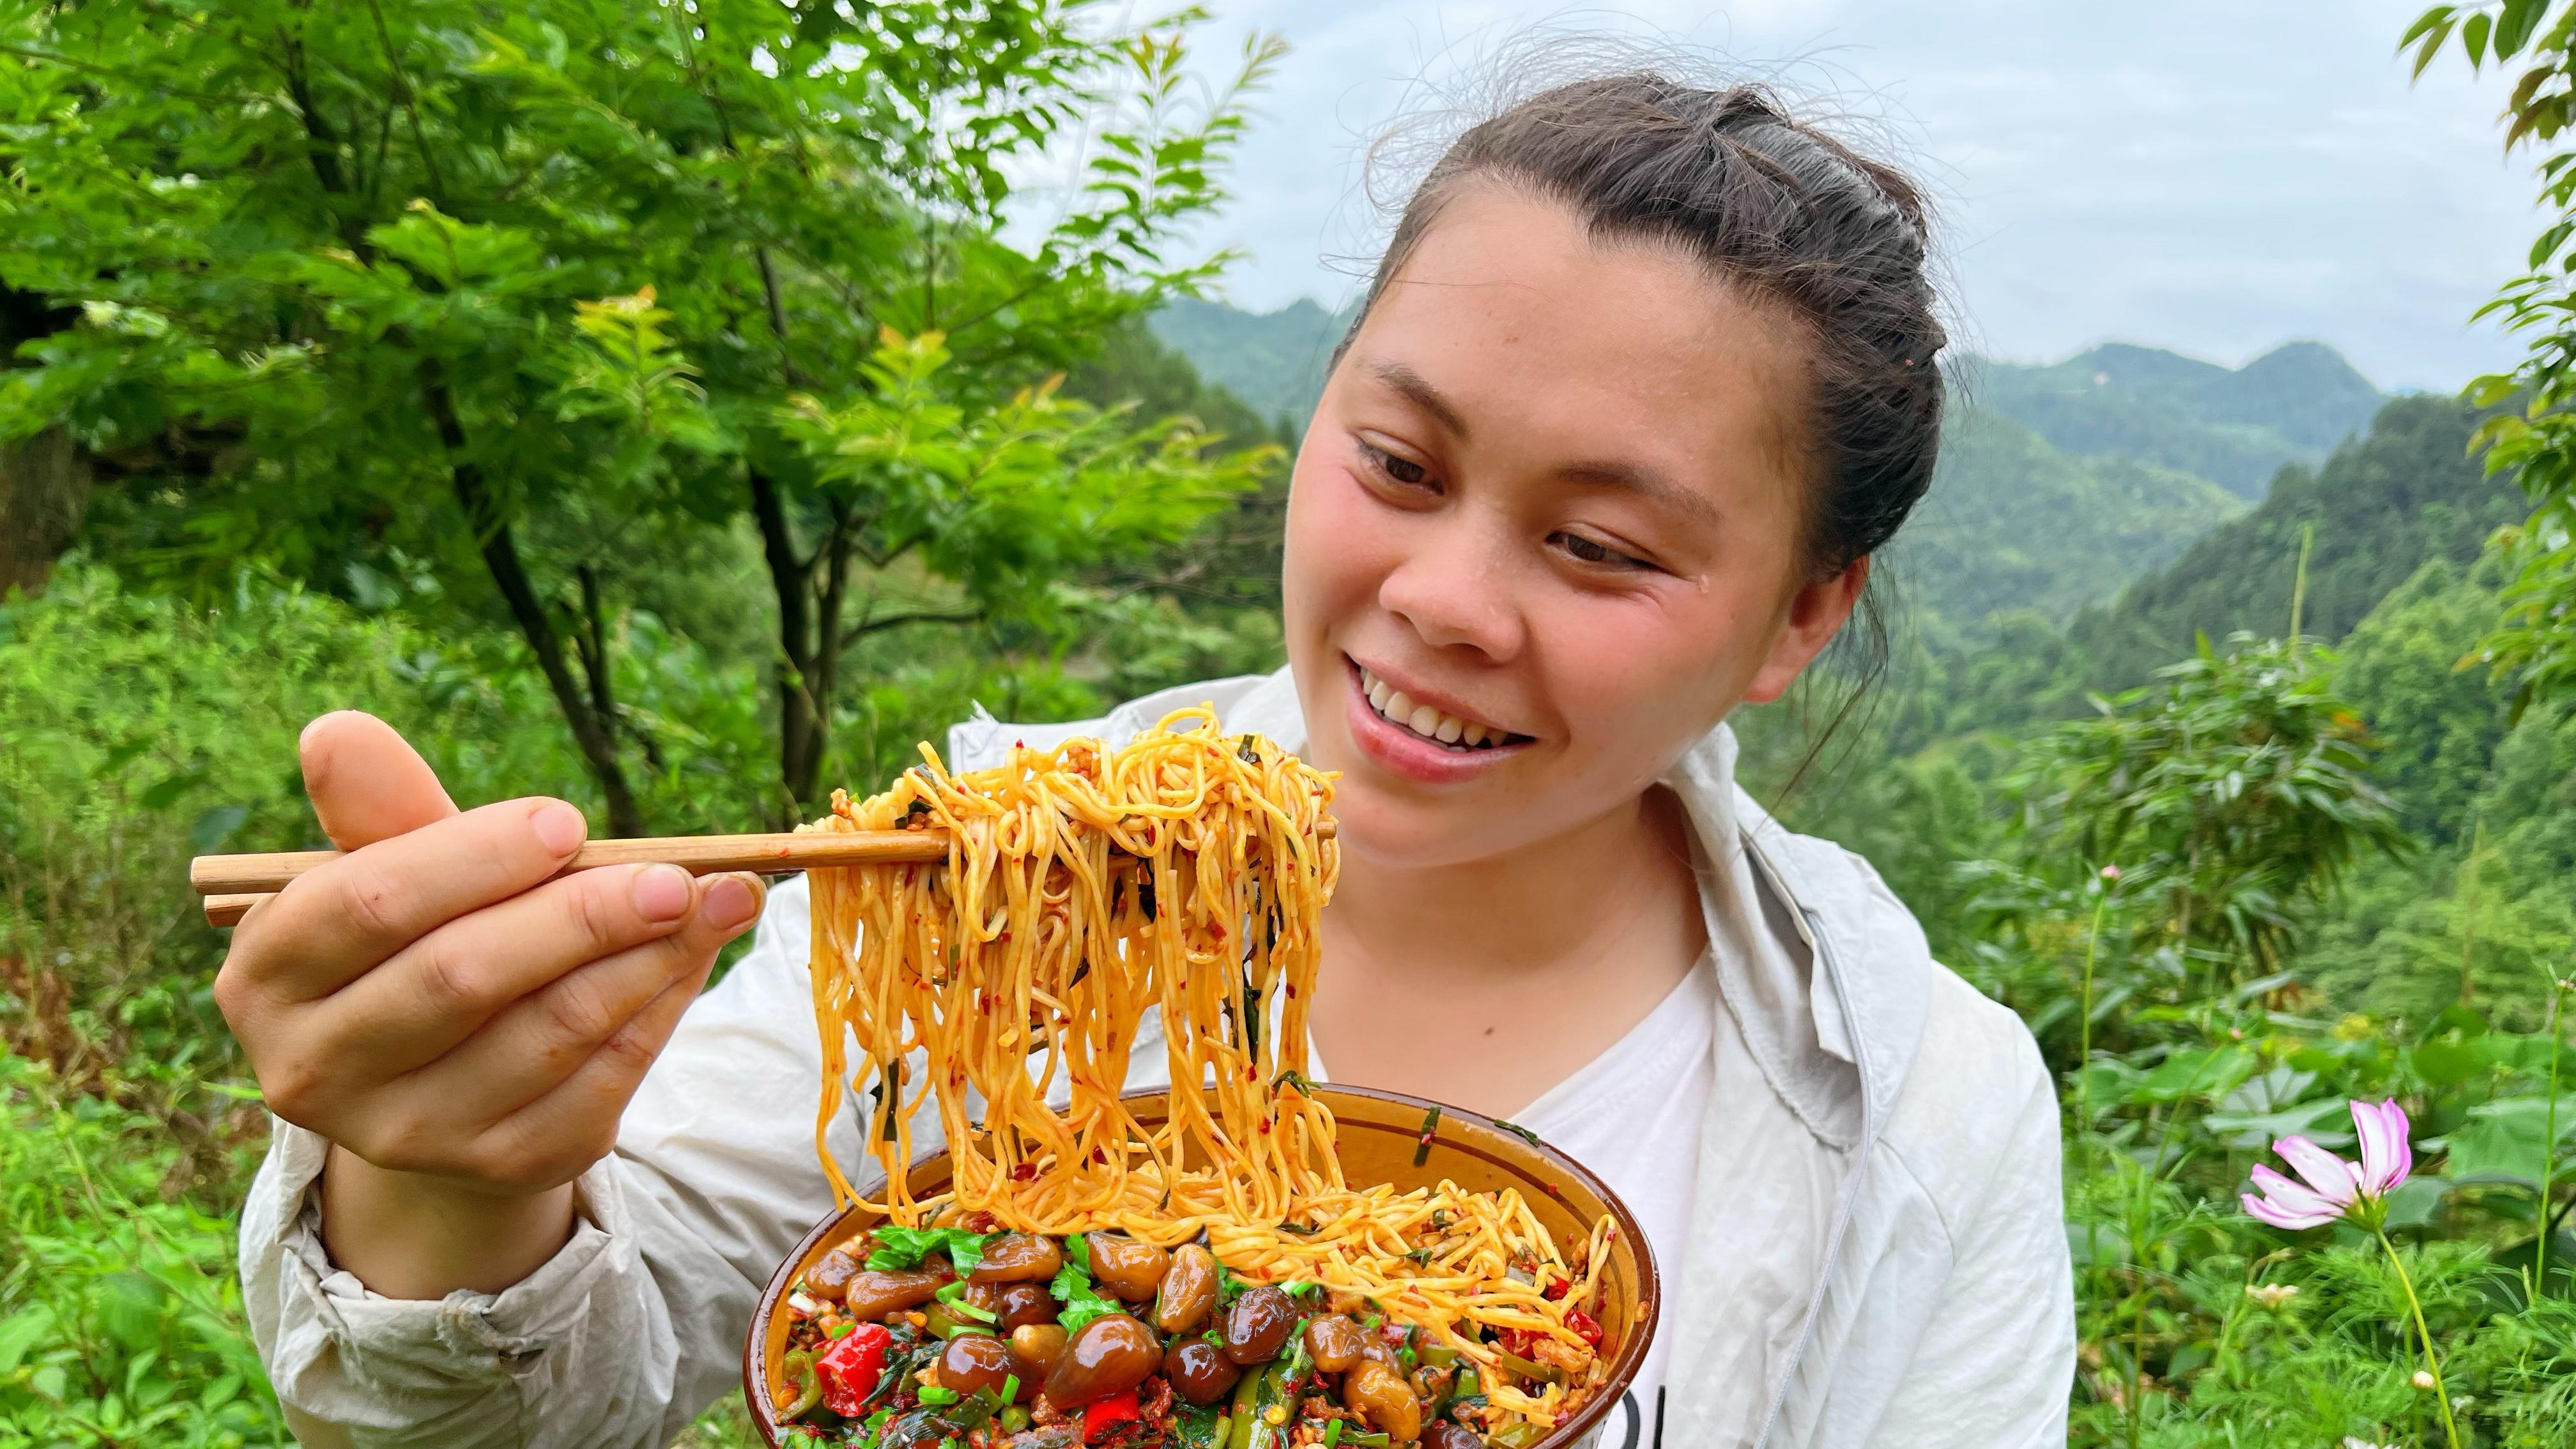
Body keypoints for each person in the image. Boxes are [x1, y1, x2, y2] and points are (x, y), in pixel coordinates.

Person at [218, 72, 2074, 1449]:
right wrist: (457, 1179)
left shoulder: (1926, 1108)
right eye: (1398, 465)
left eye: (1598, 548)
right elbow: (562, 1384)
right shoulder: (980, 867)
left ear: (1794, 619)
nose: (1442, 599)